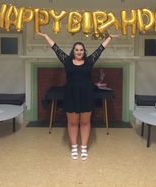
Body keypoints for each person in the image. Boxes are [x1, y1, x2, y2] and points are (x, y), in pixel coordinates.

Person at [37, 32, 119, 160]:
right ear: (73, 51)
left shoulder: (89, 61)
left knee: (85, 122)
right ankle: (74, 147)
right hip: (71, 96)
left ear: (84, 52)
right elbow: (55, 48)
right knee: (73, 123)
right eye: (76, 50)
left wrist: (109, 37)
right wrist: (46, 36)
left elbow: (100, 49)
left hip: (86, 95)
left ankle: (84, 148)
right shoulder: (67, 61)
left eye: (81, 50)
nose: (79, 52)